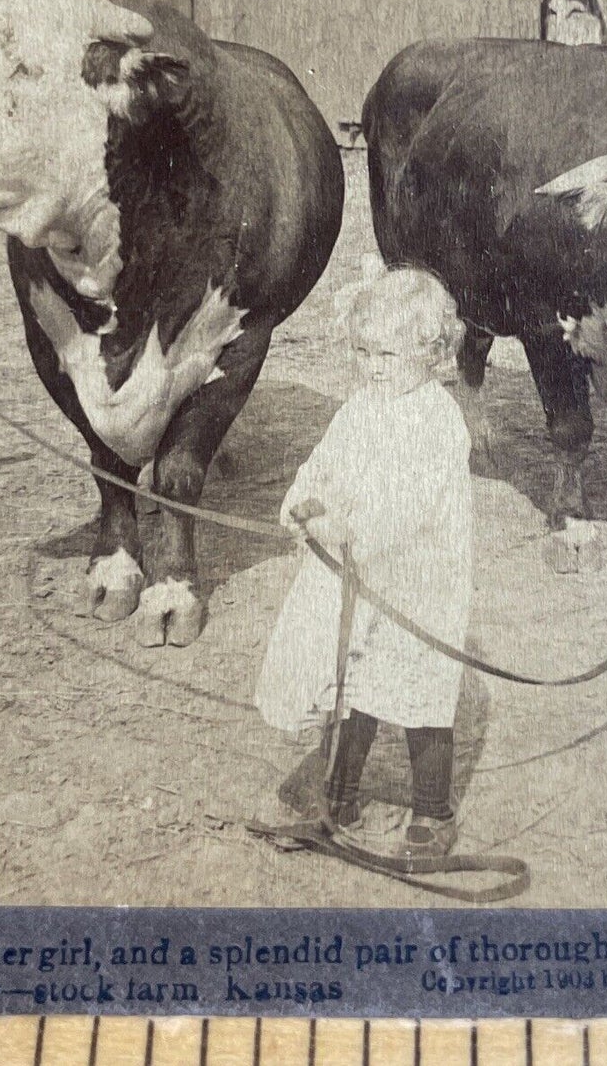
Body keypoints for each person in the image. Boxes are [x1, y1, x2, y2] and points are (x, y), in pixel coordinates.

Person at [254, 262, 474, 861]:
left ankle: (431, 810)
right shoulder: (359, 408)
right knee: (351, 685)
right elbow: (322, 464)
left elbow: (412, 508)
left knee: (421, 695)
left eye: (387, 354)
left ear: (431, 352)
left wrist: (353, 529)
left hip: (417, 584)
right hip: (353, 571)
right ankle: (340, 795)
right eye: (364, 352)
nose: (373, 366)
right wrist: (303, 502)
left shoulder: (438, 420)